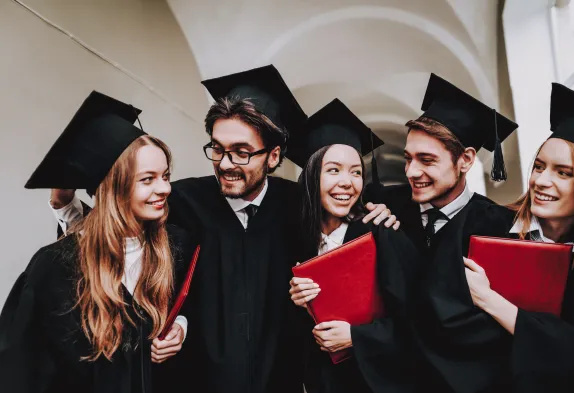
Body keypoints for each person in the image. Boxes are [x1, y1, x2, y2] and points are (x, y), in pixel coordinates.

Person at [48, 65, 397, 393]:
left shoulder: (298, 207)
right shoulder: (181, 201)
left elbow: (344, 240)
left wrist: (379, 213)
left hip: (279, 381)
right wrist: (67, 206)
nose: (226, 164)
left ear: (273, 156)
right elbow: (116, 242)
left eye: (242, 152)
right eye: (218, 149)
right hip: (193, 381)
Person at [0, 91, 190, 393]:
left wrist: (181, 325)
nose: (165, 188)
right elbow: (24, 369)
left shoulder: (171, 247)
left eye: (165, 175)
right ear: (114, 188)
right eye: (148, 179)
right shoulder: (56, 267)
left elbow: (190, 303)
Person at [464, 83, 574, 392]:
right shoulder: (484, 223)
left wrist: (491, 301)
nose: (540, 181)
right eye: (540, 167)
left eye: (563, 173)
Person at [288, 99, 417, 393]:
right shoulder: (297, 240)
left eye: (356, 172)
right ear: (310, 177)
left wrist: (356, 337)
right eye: (333, 170)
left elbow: (419, 321)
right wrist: (300, 302)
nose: (348, 182)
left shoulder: (382, 232)